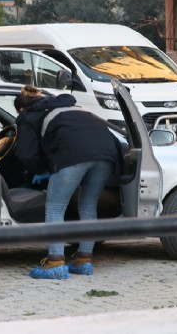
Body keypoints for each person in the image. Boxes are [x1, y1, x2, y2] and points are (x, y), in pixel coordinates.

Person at [13, 85, 121, 280]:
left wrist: (41, 170)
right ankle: (83, 261)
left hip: (73, 156)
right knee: (88, 207)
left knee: (55, 207)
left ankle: (54, 262)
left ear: (21, 108)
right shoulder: (72, 108)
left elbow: (26, 153)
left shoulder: (28, 116)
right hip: (107, 156)